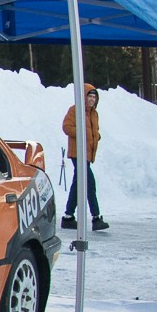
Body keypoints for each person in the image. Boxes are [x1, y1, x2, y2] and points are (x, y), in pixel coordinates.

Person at [61, 84, 107, 232]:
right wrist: (82, 133)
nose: (92, 99)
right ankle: (96, 218)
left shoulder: (94, 114)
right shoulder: (75, 110)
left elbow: (94, 130)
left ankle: (68, 217)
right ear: (84, 97)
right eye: (90, 96)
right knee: (90, 183)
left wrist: (96, 136)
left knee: (78, 184)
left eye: (94, 97)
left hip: (87, 154)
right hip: (78, 153)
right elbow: (66, 127)